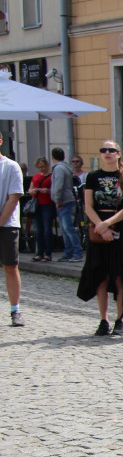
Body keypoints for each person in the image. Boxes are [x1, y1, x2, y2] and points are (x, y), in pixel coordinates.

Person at [77, 140, 123, 336]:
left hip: (118, 227)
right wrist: (101, 227)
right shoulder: (93, 176)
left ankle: (120, 319)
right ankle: (104, 319)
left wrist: (107, 224)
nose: (107, 153)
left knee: (119, 276)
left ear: (118, 154)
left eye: (111, 150)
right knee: (101, 276)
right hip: (98, 229)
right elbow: (88, 206)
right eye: (104, 150)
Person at [0, 131, 25, 326]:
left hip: (7, 224)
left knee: (10, 266)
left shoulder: (10, 166)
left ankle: (15, 309)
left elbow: (14, 197)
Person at [51, 148, 84, 262]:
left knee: (68, 228)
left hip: (64, 201)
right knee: (65, 229)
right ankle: (68, 253)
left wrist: (58, 200)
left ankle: (77, 253)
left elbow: (58, 185)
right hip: (67, 200)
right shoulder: (66, 167)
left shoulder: (59, 168)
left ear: (53, 157)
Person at [28, 157, 55, 263]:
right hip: (37, 204)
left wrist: (47, 190)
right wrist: (32, 191)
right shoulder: (36, 176)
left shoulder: (52, 176)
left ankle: (48, 253)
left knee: (47, 230)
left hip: (47, 204)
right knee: (38, 230)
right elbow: (30, 190)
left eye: (42, 167)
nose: (41, 169)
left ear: (47, 165)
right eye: (39, 167)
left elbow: (55, 190)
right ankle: (39, 253)